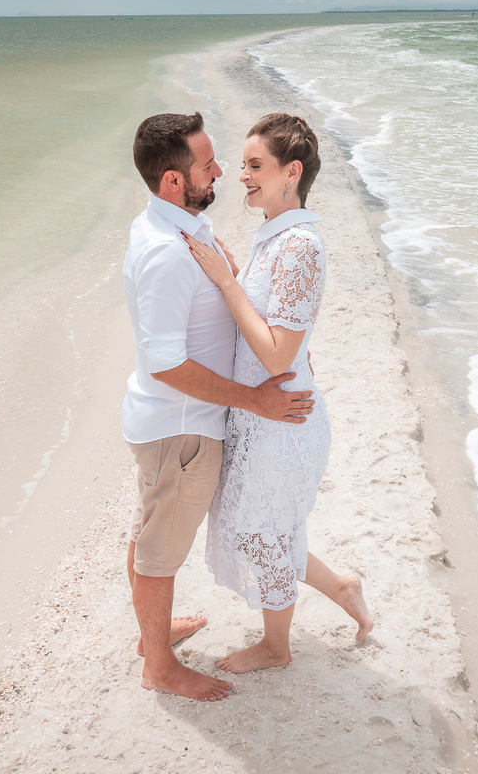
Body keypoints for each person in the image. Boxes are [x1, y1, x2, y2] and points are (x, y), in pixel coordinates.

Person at [122, 111, 316, 701]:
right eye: (208, 165)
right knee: (160, 552)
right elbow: (166, 363)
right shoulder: (164, 250)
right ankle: (159, 663)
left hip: (178, 425)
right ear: (175, 181)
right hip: (181, 427)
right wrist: (252, 399)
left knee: (153, 529)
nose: (222, 172)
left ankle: (152, 634)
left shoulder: (184, 225)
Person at [182, 113, 373, 675]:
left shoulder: (300, 246)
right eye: (241, 164)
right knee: (264, 526)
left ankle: (276, 647)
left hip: (283, 419)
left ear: (291, 172)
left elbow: (276, 354)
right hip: (264, 412)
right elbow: (284, 332)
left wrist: (224, 281)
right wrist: (234, 276)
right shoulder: (273, 238)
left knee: (266, 533)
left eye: (255, 165)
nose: (242, 175)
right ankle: (341, 585)